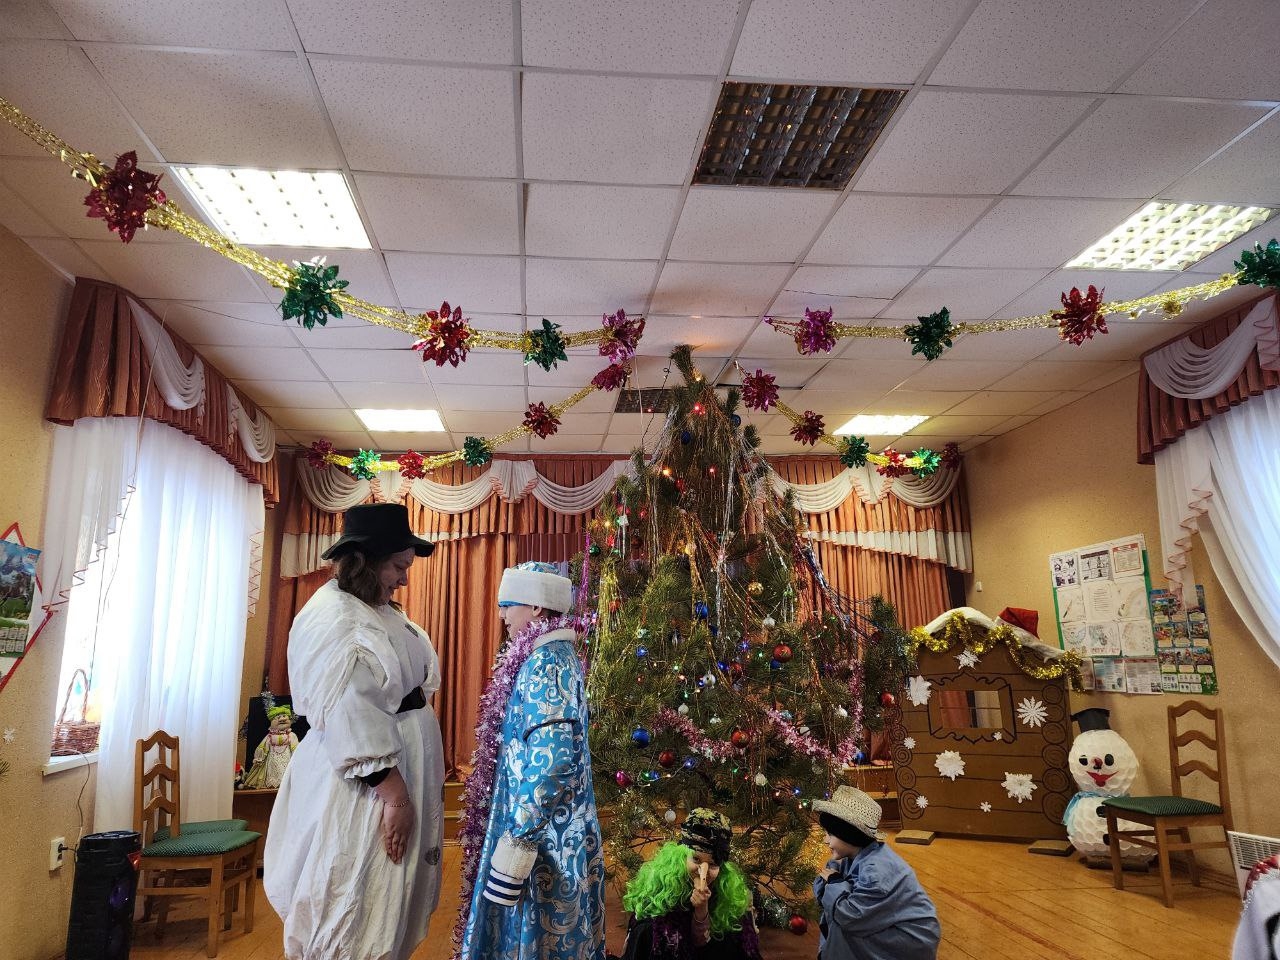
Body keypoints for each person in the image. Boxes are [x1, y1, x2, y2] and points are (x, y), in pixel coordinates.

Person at [264, 502, 445, 960]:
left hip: (391, 772)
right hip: (366, 788)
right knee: (356, 893)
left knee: (385, 897)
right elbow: (351, 712)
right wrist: (395, 796)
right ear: (366, 560)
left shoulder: (373, 608)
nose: (404, 579)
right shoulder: (338, 620)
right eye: (399, 566)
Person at [457, 561, 605, 960]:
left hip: (543, 841)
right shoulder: (556, 654)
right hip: (554, 829)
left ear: (537, 607)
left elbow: (552, 760)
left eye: (508, 604)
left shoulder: (545, 662)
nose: (502, 615)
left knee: (535, 936)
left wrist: (518, 839)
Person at [812, 785, 940, 960]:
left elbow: (852, 917)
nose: (826, 840)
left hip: (910, 939)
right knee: (837, 911)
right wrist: (834, 883)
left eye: (830, 834)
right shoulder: (854, 856)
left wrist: (834, 882)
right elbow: (823, 889)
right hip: (890, 925)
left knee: (844, 927)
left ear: (848, 835)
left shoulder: (876, 873)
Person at [617, 808, 761, 960]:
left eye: (713, 864)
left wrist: (702, 909)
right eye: (696, 859)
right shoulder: (663, 887)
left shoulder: (727, 893)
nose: (703, 871)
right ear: (682, 857)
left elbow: (706, 943)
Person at [241, 704, 299, 789]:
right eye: (278, 717)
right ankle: (273, 784)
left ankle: (286, 784)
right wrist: (259, 757)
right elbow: (263, 746)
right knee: (273, 770)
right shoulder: (269, 736)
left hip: (287, 757)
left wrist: (297, 756)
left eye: (284, 716)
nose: (282, 719)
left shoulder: (291, 735)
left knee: (286, 770)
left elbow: (295, 747)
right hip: (273, 757)